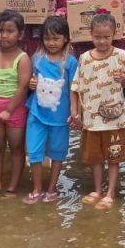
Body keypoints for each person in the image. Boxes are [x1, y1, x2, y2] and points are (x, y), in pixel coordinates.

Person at [70, 12, 125, 210]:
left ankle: (110, 192)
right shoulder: (84, 58)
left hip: (114, 119)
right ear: (91, 34)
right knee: (94, 157)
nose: (102, 41)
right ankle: (97, 189)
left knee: (114, 158)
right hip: (91, 120)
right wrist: (75, 113)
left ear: (113, 35)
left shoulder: (121, 56)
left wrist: (122, 78)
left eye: (106, 37)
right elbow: (75, 87)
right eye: (97, 36)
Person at [23, 16, 78, 205]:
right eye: (47, 38)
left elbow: (73, 89)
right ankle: (37, 188)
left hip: (60, 117)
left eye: (56, 38)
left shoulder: (70, 62)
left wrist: (74, 112)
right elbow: (31, 82)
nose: (51, 43)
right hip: (36, 114)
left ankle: (52, 188)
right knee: (34, 150)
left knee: (57, 152)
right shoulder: (37, 59)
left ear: (65, 39)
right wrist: (31, 84)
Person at [0, 9, 31, 196]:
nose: (4, 35)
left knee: (17, 148)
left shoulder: (23, 58)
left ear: (20, 34)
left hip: (14, 111)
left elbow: (22, 88)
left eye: (10, 31)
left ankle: (12, 187)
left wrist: (9, 111)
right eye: (0, 30)